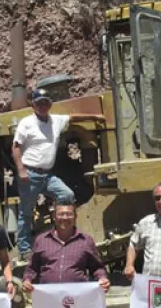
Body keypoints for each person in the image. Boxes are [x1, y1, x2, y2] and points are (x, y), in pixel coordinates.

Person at [12, 87, 106, 260]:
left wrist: (95, 117)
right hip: (30, 174)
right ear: (33, 105)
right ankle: (25, 249)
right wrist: (21, 170)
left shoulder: (55, 120)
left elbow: (73, 117)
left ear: (50, 104)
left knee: (67, 194)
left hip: (47, 175)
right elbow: (16, 147)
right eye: (39, 103)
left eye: (45, 103)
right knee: (26, 212)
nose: (42, 106)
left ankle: (57, 230)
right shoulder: (26, 123)